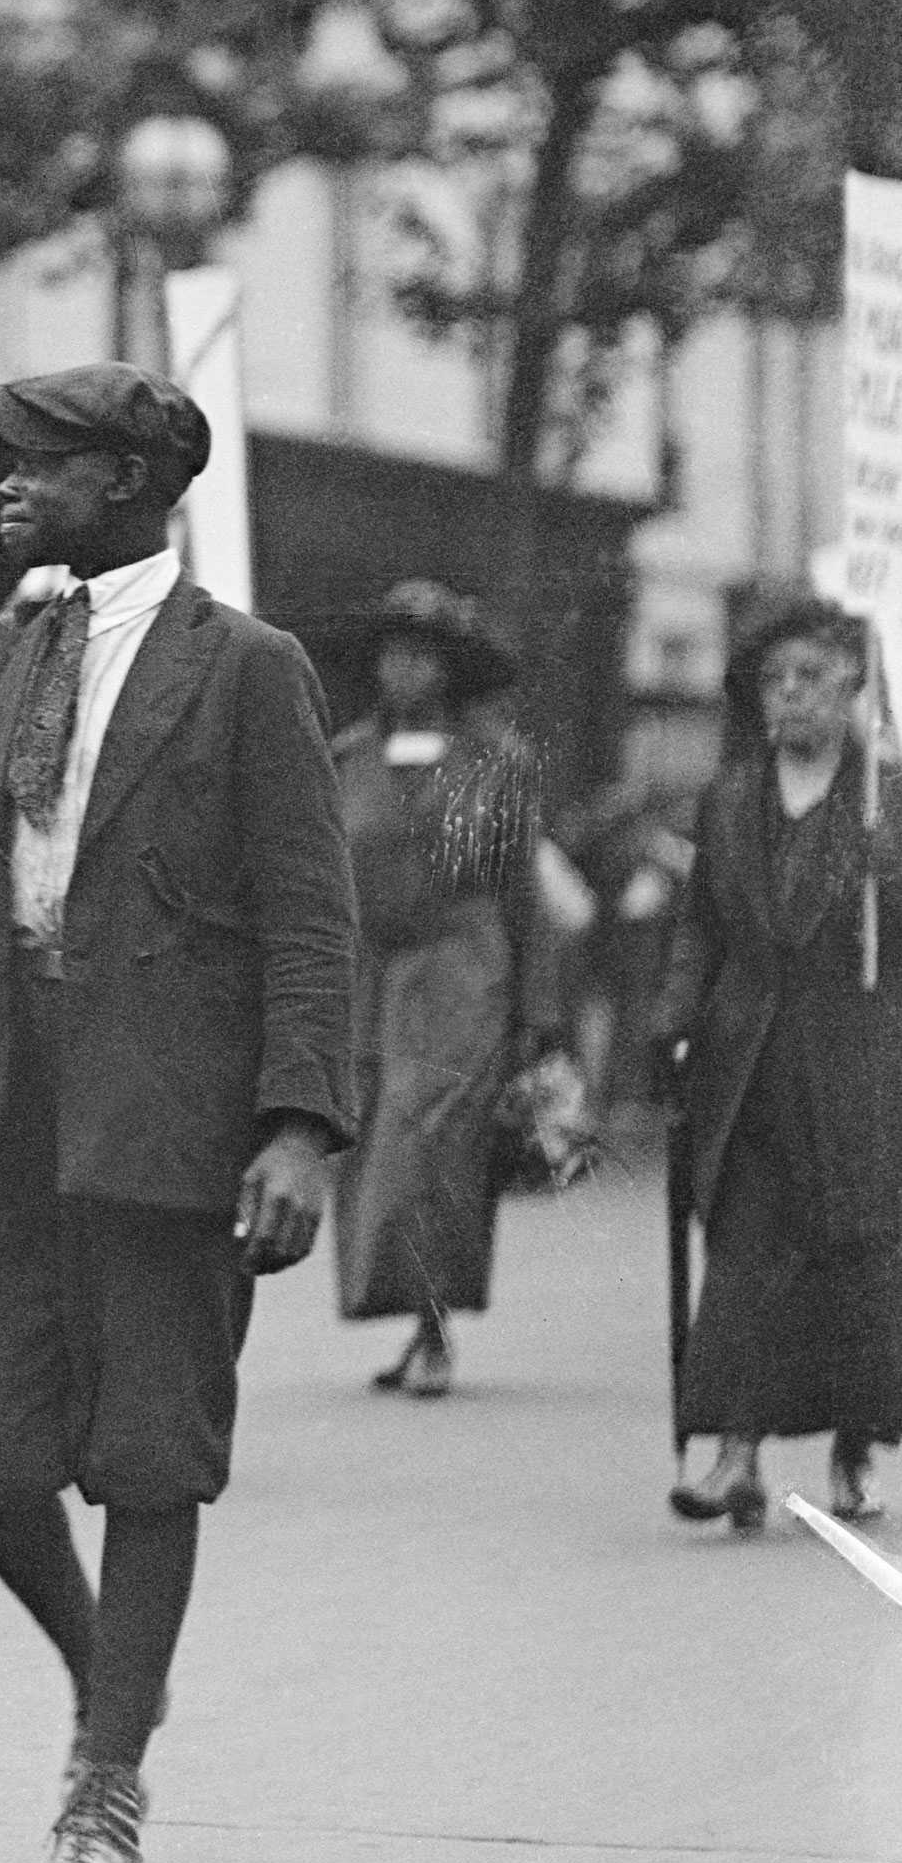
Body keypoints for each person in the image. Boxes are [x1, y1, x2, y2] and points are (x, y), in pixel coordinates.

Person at [0, 363, 356, 1863]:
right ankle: (106, 1678)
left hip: (173, 1122)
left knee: (145, 1456)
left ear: (127, 479)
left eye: (39, 459)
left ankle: (101, 1788)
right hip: (10, 1104)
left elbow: (308, 916)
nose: (3, 482)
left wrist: (298, 1129)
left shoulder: (244, 668)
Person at [655, 596, 902, 1532]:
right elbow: (700, 928)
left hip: (859, 1062)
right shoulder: (729, 798)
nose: (790, 695)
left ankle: (850, 1448)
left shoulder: (887, 798)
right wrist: (673, 1018)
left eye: (810, 677)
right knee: (743, 1258)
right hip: (747, 1062)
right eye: (774, 680)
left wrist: (891, 871)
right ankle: (733, 1459)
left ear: (851, 690)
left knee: (855, 1259)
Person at [330, 581, 563, 1399]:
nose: (404, 669)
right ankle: (403, 1317)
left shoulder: (496, 763)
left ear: (451, 667)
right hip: (370, 973)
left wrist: (538, 1013)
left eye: (422, 653)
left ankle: (434, 1327)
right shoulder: (345, 757)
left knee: (431, 1142)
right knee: (368, 1141)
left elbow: (522, 896)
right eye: (392, 651)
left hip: (463, 969)